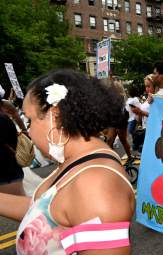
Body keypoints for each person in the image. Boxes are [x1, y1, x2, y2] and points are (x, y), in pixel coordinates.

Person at [0, 69, 135, 255]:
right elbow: (41, 210)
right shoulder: (77, 160)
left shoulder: (95, 185)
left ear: (55, 117)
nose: (28, 132)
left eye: (30, 120)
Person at [105, 79, 135, 163]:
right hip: (113, 120)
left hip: (120, 120)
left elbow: (116, 107)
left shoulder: (121, 97)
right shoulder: (110, 96)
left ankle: (129, 156)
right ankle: (111, 158)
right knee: (109, 140)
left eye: (112, 87)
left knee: (123, 140)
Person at [0, 113, 25, 195]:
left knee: (17, 203)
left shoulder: (3, 119)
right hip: (11, 170)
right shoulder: (4, 118)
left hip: (7, 173)